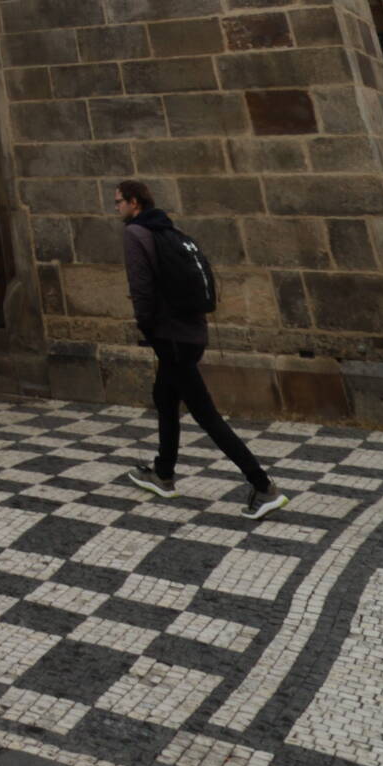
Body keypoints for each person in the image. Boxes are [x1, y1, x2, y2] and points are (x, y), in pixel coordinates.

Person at [117, 181, 286, 518]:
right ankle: (163, 474)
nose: (116, 208)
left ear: (135, 203)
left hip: (171, 338)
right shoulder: (171, 231)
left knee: (205, 414)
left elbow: (142, 289)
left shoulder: (136, 234)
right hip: (191, 333)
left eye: (119, 202)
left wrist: (147, 327)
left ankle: (262, 485)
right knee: (164, 398)